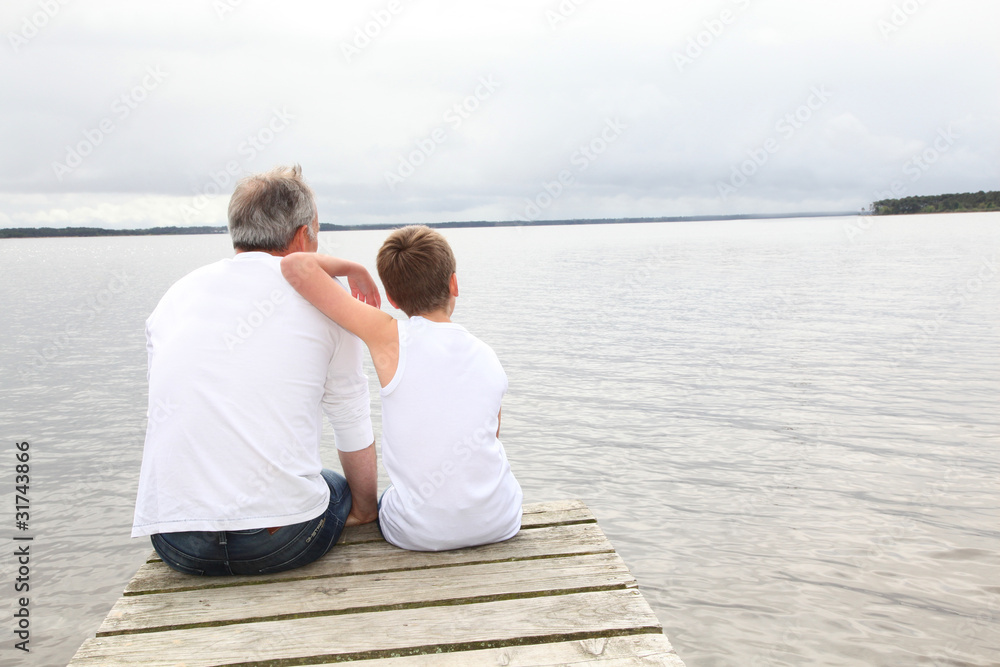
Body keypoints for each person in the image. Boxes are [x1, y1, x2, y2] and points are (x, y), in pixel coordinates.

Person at [131, 165, 381, 575]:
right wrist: (365, 510)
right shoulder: (329, 301)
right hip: (283, 539)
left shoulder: (175, 297)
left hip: (178, 542)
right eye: (317, 233)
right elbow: (350, 419)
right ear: (303, 237)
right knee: (334, 486)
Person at [281, 225, 523, 551]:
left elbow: (295, 266)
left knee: (380, 497)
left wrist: (354, 269)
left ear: (392, 298)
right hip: (502, 520)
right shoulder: (487, 355)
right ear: (454, 283)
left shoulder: (389, 337)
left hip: (418, 534)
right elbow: (490, 438)